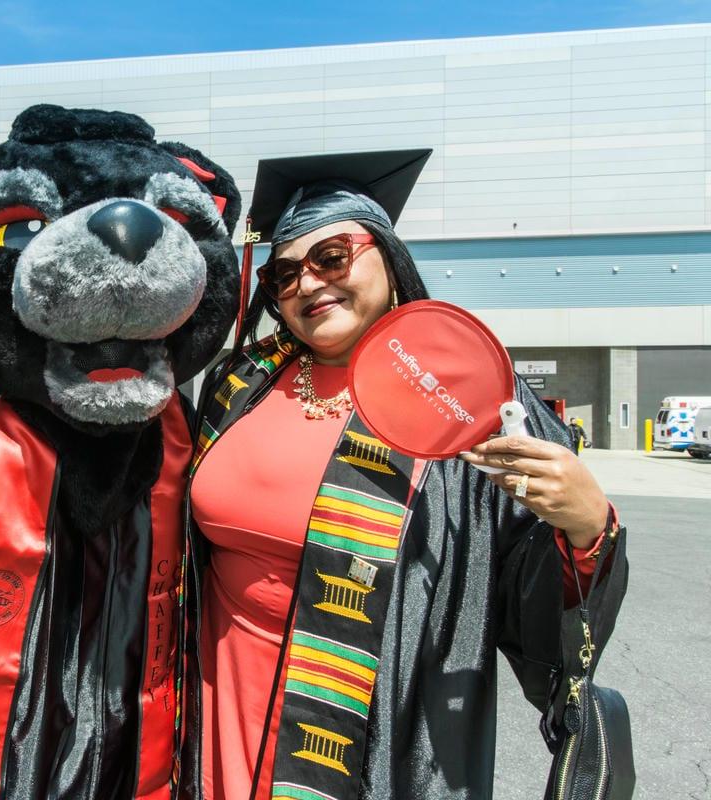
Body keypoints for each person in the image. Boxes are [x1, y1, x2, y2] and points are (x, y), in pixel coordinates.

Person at [180, 150, 627, 800]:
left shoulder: (464, 394)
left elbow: (524, 584)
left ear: (388, 257)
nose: (308, 283)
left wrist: (587, 526)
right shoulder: (240, 380)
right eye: (283, 275)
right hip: (218, 702)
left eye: (331, 257)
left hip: (366, 724)